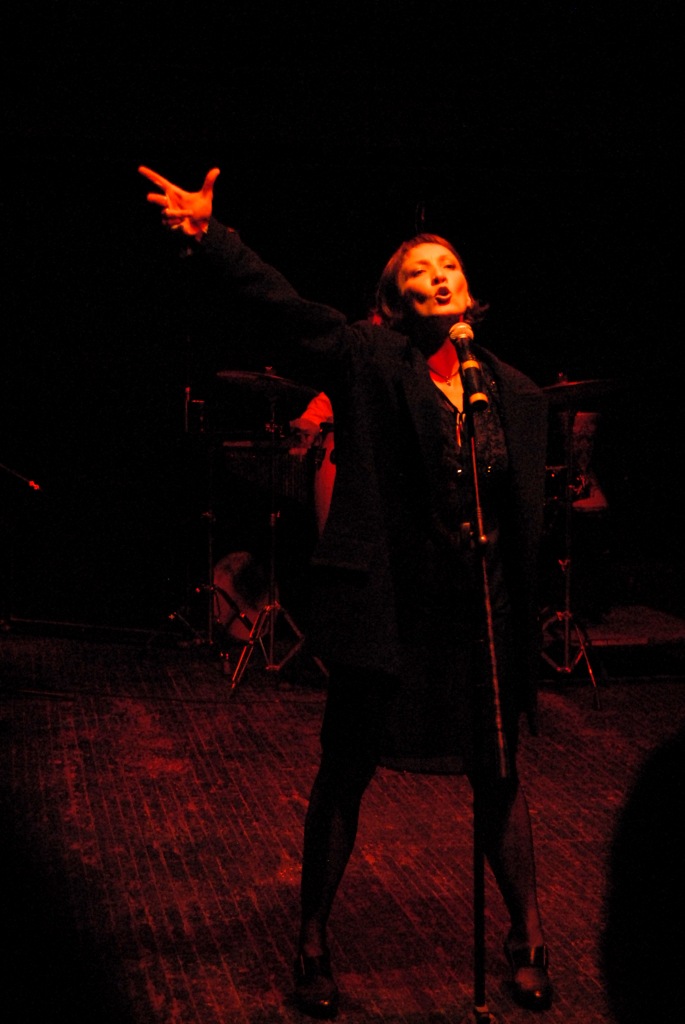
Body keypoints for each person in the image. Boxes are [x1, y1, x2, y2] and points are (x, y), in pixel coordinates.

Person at [139, 165, 553, 1016]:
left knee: (499, 774)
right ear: (396, 301)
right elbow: (284, 309)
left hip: (478, 617)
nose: (437, 277)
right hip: (390, 613)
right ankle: (313, 939)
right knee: (345, 771)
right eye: (418, 273)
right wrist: (213, 239)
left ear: (467, 289)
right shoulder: (369, 361)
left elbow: (522, 523)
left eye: (448, 267)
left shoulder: (511, 393)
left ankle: (527, 935)